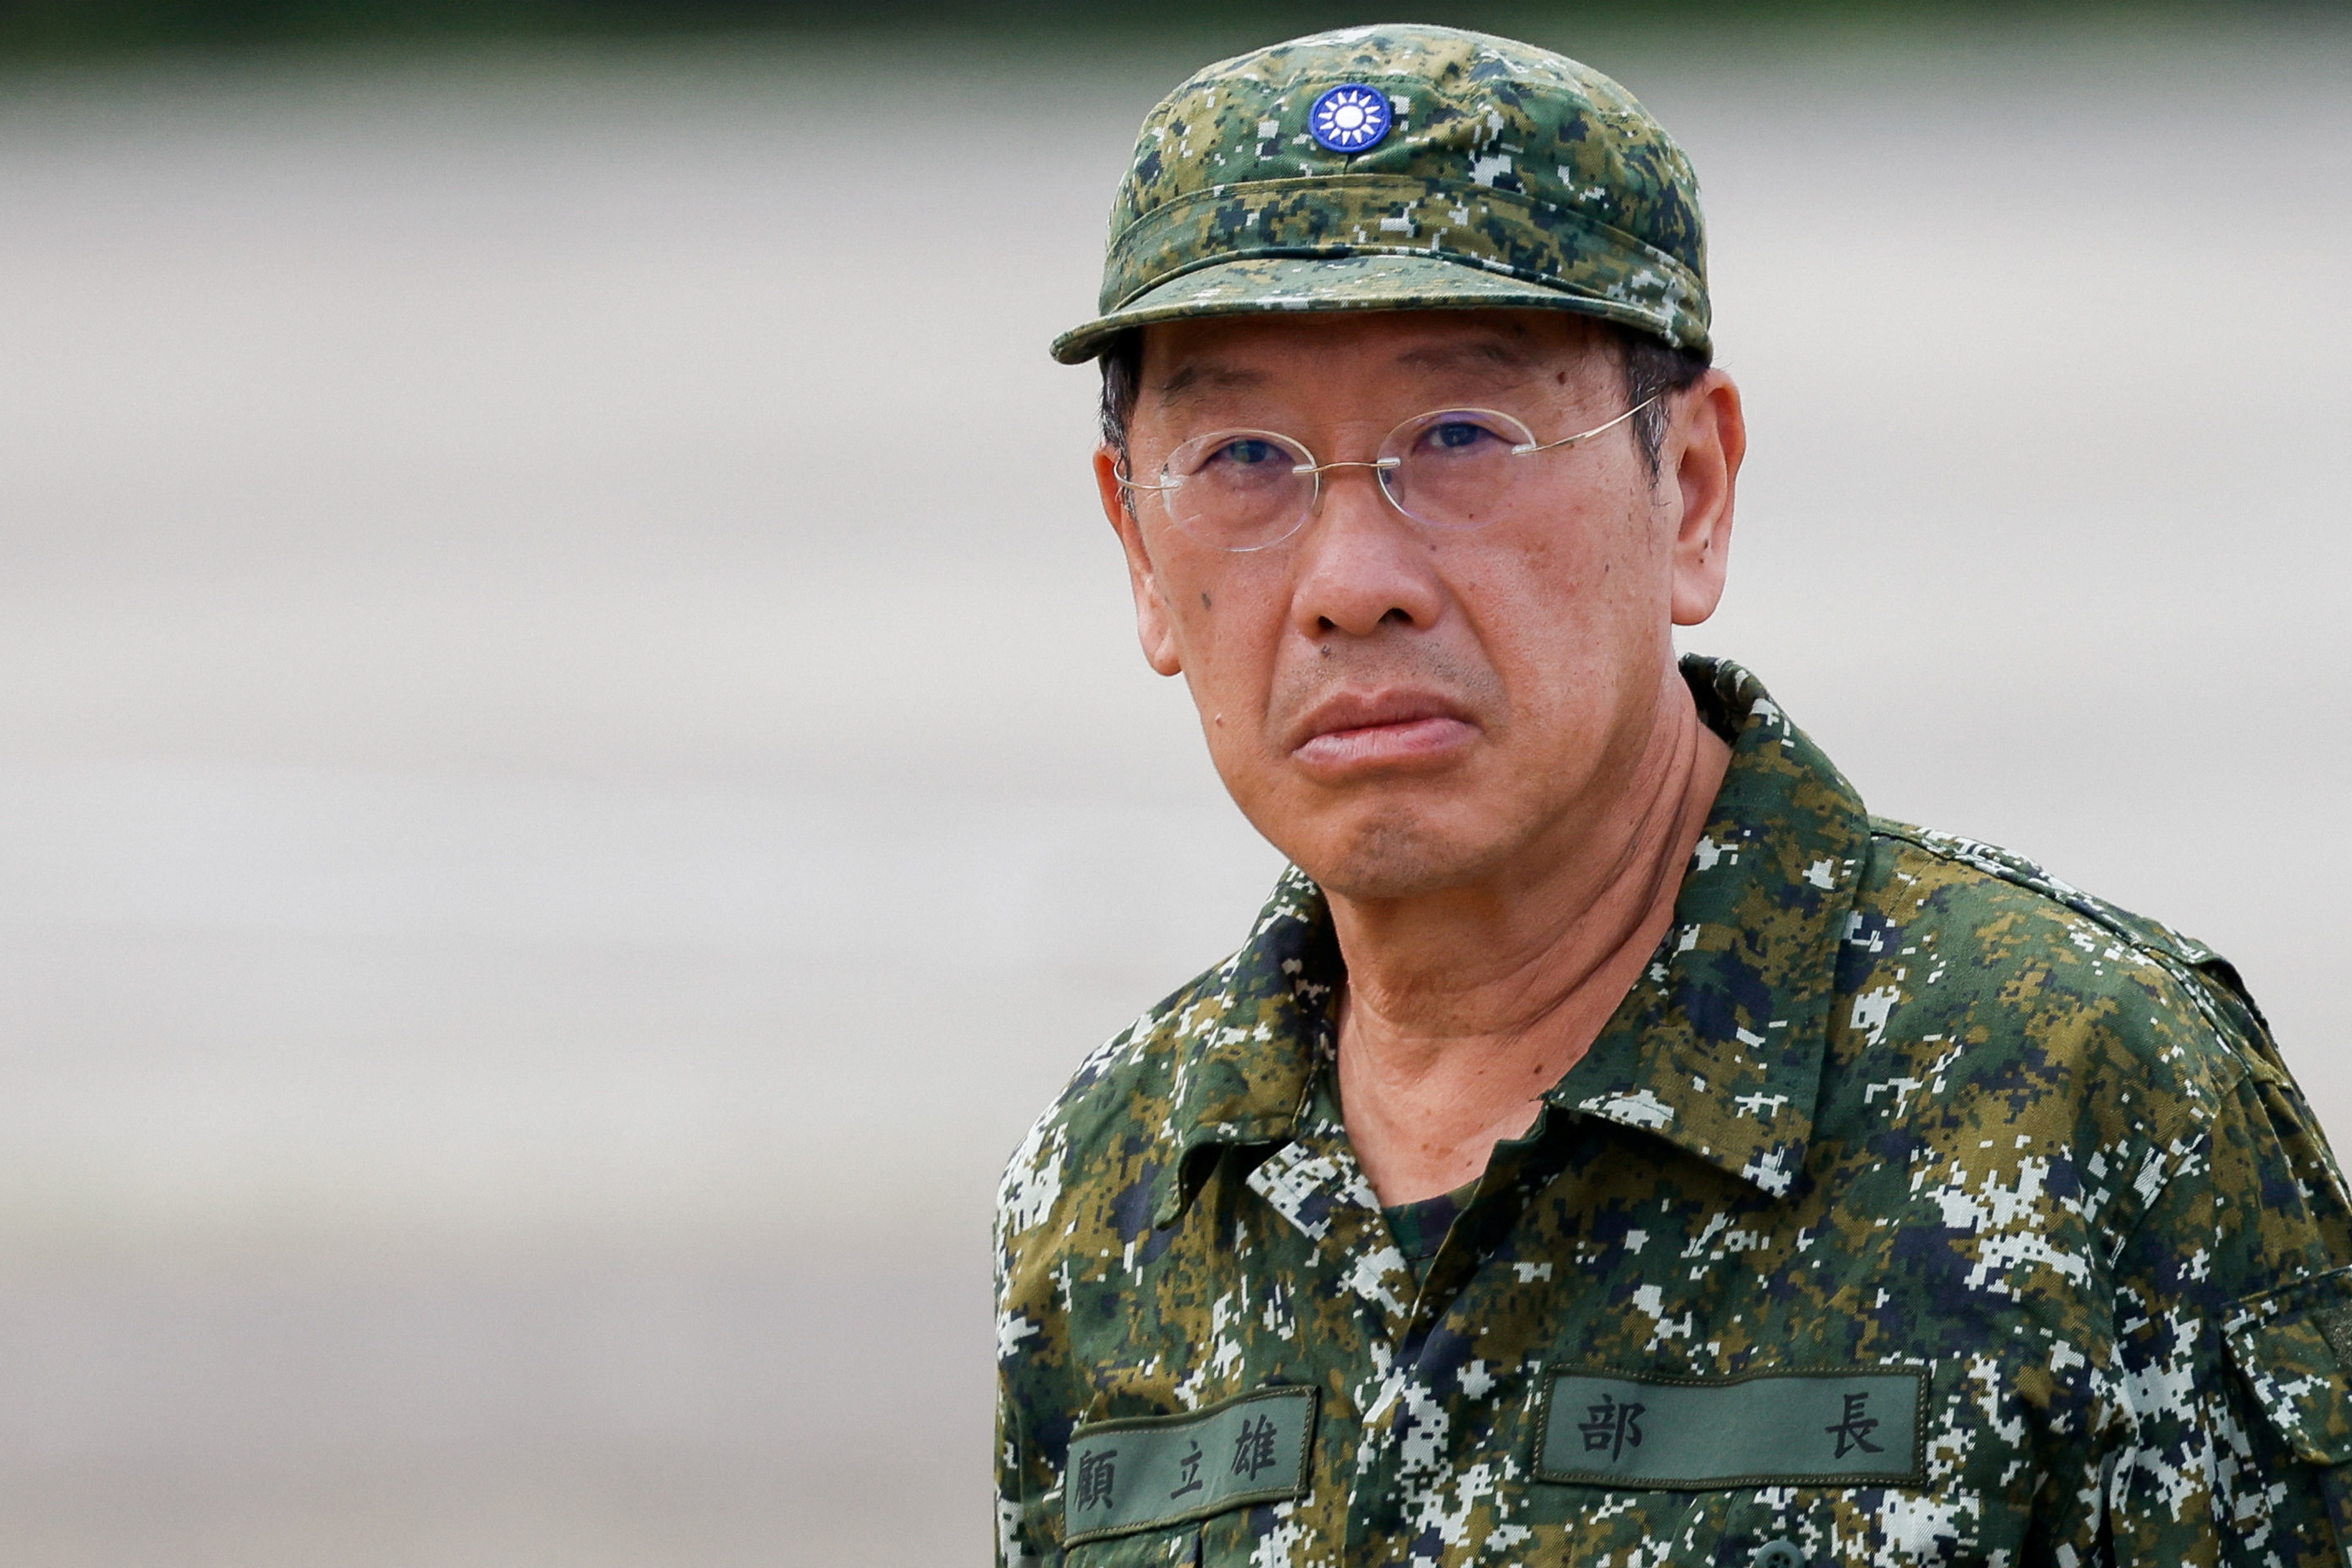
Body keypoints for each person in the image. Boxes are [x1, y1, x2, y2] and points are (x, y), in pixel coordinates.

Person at [994, 24, 2352, 1567]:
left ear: (1691, 489)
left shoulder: (2080, 1093)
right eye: (1243, 456)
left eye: (1461, 438)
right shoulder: (1110, 1194)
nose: (1352, 583)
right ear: (1135, 549)